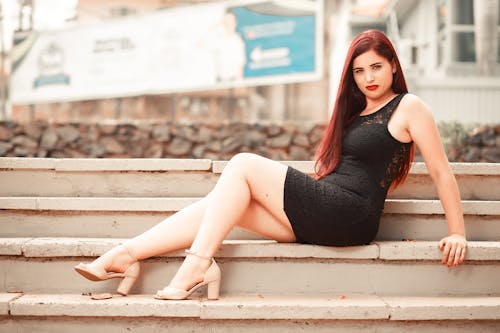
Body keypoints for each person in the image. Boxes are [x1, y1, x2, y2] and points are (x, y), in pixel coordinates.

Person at [74, 30, 467, 300]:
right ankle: (127, 255)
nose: (368, 78)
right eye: (359, 70)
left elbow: (440, 172)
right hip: (330, 207)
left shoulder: (409, 107)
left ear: (394, 66)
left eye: (376, 67)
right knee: (226, 204)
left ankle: (195, 266)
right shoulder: (354, 112)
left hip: (352, 213)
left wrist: (458, 232)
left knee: (243, 163)